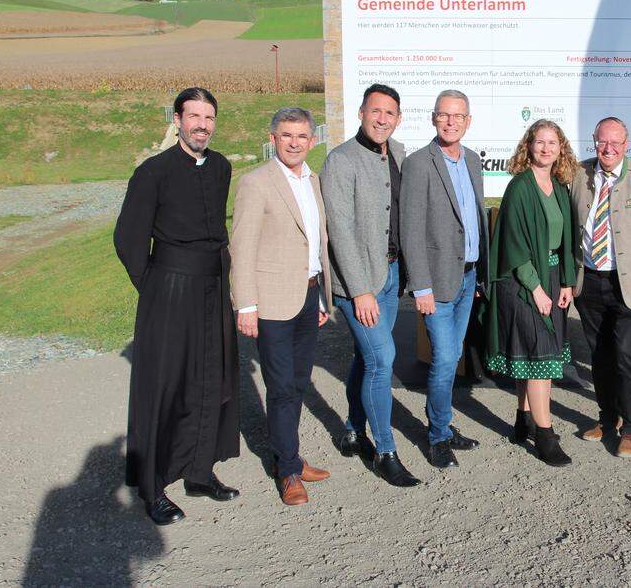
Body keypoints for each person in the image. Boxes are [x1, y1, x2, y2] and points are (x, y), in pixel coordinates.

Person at [113, 87, 240, 525]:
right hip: (168, 286)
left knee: (210, 378)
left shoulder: (222, 166)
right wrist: (153, 286)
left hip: (213, 284)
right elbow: (128, 238)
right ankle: (153, 487)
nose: (201, 125)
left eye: (208, 117)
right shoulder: (153, 172)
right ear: (178, 119)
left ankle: (200, 471)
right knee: (164, 385)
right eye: (194, 116)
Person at [229, 107, 333, 505]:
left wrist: (322, 295)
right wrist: (246, 305)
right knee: (281, 386)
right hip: (271, 302)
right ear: (273, 139)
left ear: (311, 140)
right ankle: (287, 469)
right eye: (287, 135)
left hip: (308, 296)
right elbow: (242, 245)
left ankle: (292, 455)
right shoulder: (256, 183)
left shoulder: (314, 181)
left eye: (302, 136)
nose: (295, 142)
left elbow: (316, 243)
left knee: (299, 383)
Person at [320, 83, 419, 488]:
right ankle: (384, 449)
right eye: (375, 111)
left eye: (390, 113)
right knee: (382, 359)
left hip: (390, 275)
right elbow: (339, 229)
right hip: (357, 282)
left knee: (366, 357)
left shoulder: (397, 153)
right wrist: (359, 290)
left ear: (398, 118)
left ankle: (350, 429)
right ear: (362, 112)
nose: (382, 119)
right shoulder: (340, 161)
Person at [399, 90, 486, 469]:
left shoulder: (472, 159)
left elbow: (476, 218)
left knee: (452, 359)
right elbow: (411, 230)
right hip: (436, 282)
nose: (451, 122)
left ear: (468, 121)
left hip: (467, 277)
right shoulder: (420, 163)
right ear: (434, 118)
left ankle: (445, 426)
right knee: (446, 358)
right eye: (444, 115)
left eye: (458, 116)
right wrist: (421, 286)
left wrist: (480, 272)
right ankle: (436, 435)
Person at [569, 117, 631, 459]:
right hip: (589, 281)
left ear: (626, 145)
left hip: (626, 284)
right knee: (599, 356)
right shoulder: (578, 175)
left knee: (625, 355)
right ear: (593, 141)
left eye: (615, 143)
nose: (607, 149)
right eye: (601, 143)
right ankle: (607, 419)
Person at [485, 119, 579, 467]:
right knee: (541, 357)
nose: (545, 148)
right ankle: (545, 434)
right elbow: (513, 246)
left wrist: (566, 282)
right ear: (529, 146)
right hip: (525, 280)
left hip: (553, 277)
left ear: (561, 149)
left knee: (534, 351)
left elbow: (567, 239)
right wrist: (537, 288)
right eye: (539, 142)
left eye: (552, 143)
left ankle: (523, 419)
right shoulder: (520, 187)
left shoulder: (558, 185)